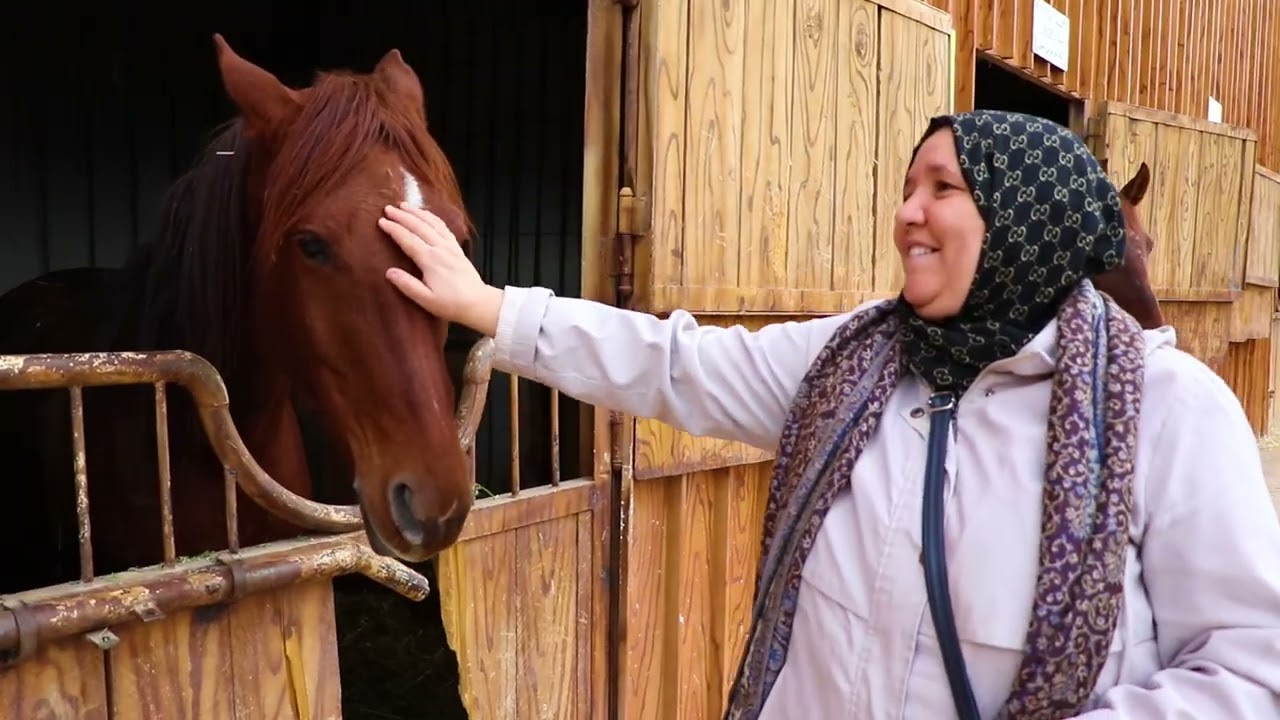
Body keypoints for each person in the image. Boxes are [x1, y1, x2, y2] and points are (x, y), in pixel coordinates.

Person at [377, 110, 1280, 719]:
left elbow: (1248, 666)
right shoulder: (857, 360)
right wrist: (492, 309)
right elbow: (680, 365)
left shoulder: (1168, 413)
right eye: (907, 187)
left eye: (942, 190)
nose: (906, 215)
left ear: (1023, 219)